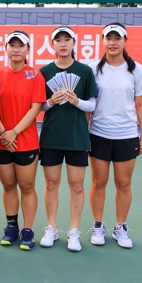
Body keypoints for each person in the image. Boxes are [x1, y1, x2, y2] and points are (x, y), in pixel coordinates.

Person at [88, 22, 142, 249]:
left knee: (123, 183)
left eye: (117, 38)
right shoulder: (93, 68)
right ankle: (97, 225)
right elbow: (88, 105)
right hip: (98, 133)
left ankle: (120, 227)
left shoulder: (136, 70)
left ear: (125, 41)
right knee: (98, 182)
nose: (112, 43)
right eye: (108, 38)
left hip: (126, 135)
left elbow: (141, 104)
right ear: (102, 40)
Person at [38, 26, 98, 252]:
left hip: (77, 136)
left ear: (74, 43)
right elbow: (39, 105)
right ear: (52, 44)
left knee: (77, 185)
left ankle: (74, 232)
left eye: (67, 40)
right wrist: (51, 102)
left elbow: (92, 104)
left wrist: (76, 102)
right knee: (51, 183)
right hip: (51, 136)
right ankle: (51, 228)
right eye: (58, 40)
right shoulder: (44, 72)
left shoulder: (84, 71)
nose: (63, 44)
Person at [0, 30, 45, 251]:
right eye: (11, 45)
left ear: (27, 50)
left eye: (20, 45)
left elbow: (36, 108)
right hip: (1, 141)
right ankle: (12, 226)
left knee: (27, 186)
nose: (16, 49)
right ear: (5, 48)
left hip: (27, 142)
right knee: (8, 185)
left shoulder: (35, 75)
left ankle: (28, 230)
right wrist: (5, 133)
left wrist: (14, 132)